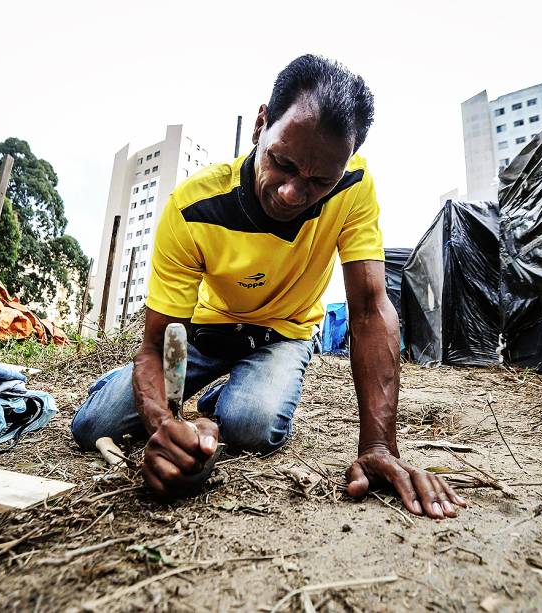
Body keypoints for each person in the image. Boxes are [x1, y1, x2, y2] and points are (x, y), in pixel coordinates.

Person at [72, 54, 466, 520]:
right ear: (261, 124)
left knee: (251, 425)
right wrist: (164, 424)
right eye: (282, 162)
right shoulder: (193, 207)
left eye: (321, 180)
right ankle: (184, 394)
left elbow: (368, 311)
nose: (292, 194)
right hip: (203, 332)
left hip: (283, 335)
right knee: (94, 424)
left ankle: (225, 401)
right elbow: (160, 346)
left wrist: (379, 446)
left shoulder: (355, 186)